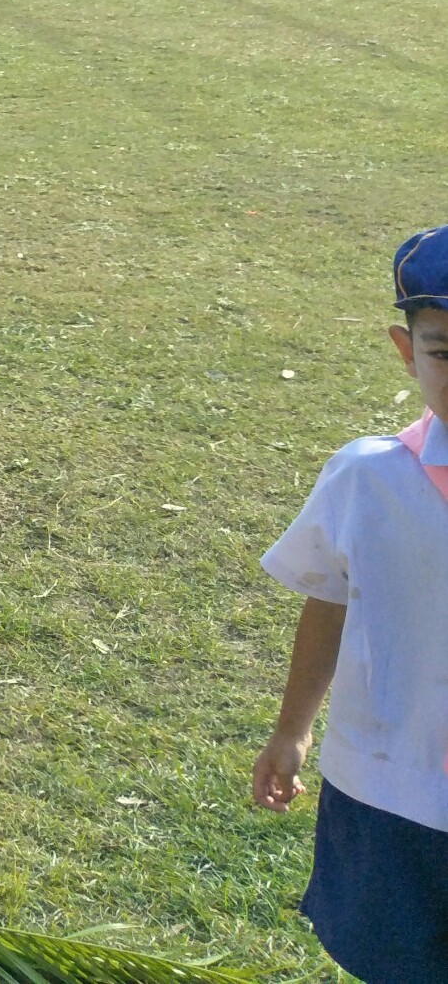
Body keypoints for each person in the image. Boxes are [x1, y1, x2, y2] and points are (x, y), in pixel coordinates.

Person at [254, 226, 448, 984]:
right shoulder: (368, 479)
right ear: (406, 350)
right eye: (444, 352)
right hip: (390, 790)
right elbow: (329, 599)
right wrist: (292, 730)